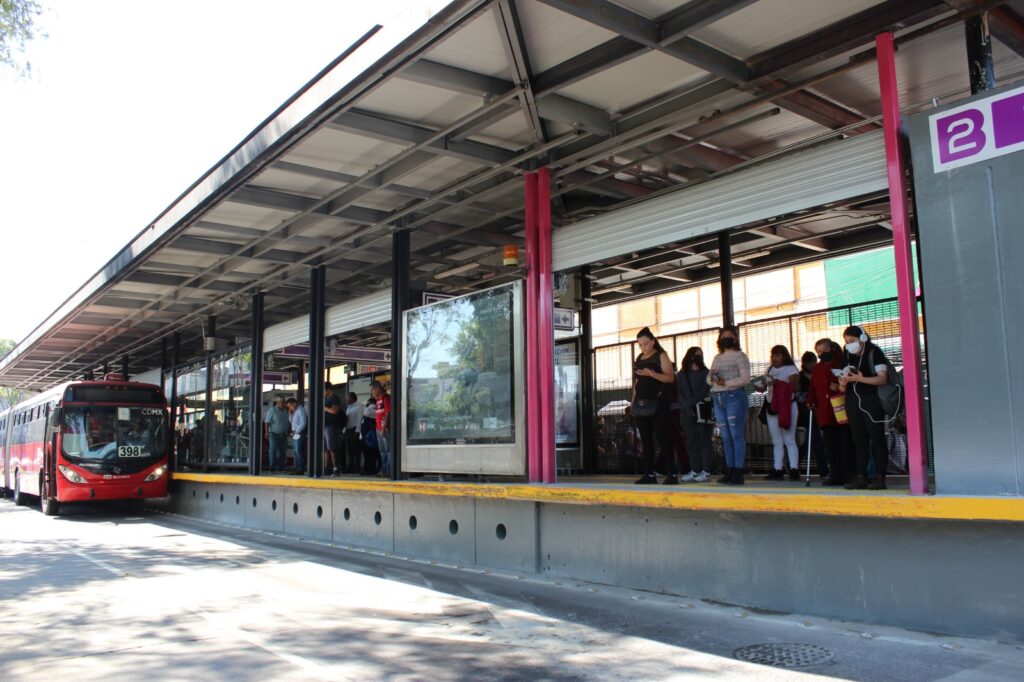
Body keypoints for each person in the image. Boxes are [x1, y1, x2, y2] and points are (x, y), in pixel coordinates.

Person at [838, 326, 891, 490]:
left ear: (863, 338)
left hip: (872, 401)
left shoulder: (874, 352)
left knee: (877, 439)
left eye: (852, 341)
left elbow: (882, 379)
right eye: (847, 342)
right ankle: (861, 476)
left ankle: (880, 476)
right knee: (859, 440)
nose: (849, 345)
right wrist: (843, 382)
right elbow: (841, 387)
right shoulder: (847, 355)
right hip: (852, 401)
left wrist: (861, 379)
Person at [631, 327, 678, 485]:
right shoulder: (639, 358)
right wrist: (633, 401)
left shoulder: (661, 355)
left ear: (652, 341)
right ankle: (649, 474)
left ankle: (671, 473)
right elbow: (636, 382)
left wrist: (652, 374)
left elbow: (670, 378)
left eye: (646, 343)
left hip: (659, 403)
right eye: (641, 345)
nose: (644, 347)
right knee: (645, 439)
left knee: (663, 437)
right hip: (641, 402)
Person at [708, 325, 750, 485]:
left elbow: (746, 378)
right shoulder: (717, 358)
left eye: (729, 335)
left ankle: (738, 471)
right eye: (723, 335)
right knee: (725, 436)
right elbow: (708, 379)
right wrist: (713, 377)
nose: (726, 338)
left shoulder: (740, 356)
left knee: (736, 434)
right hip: (718, 397)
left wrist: (727, 383)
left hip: (734, 396)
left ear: (735, 338)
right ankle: (729, 470)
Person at [808, 338, 853, 486]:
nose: (822, 354)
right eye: (819, 351)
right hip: (825, 413)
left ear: (832, 348)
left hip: (841, 411)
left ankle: (848, 475)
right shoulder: (818, 368)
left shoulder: (842, 363)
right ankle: (835, 474)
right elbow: (812, 388)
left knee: (845, 444)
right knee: (830, 446)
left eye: (824, 350)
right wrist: (810, 400)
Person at [763, 344, 801, 481]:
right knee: (777, 440)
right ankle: (777, 469)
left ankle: (794, 469)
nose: (775, 358)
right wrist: (763, 386)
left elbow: (793, 387)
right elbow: (768, 388)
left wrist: (776, 382)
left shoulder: (791, 369)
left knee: (789, 439)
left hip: (787, 406)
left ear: (784, 356)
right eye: (773, 355)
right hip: (773, 406)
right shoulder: (770, 369)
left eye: (778, 355)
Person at [677, 346, 713, 483]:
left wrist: (689, 403)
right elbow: (679, 393)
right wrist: (686, 406)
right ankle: (695, 470)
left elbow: (705, 391)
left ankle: (706, 471)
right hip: (686, 413)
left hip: (702, 410)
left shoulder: (707, 373)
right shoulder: (681, 374)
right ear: (690, 356)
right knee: (691, 442)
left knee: (704, 441)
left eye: (701, 355)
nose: (699, 357)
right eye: (697, 354)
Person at [798, 351, 828, 481]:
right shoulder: (800, 377)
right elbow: (798, 394)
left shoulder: (818, 374)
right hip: (807, 412)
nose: (811, 365)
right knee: (816, 440)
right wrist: (809, 400)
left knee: (810, 441)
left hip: (820, 410)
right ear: (804, 363)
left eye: (813, 362)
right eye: (808, 362)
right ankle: (823, 469)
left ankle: (794, 463)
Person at [263, 397, 290, 473]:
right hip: (274, 434)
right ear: (278, 402)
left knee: (283, 452)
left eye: (284, 402)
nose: (284, 403)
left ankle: (281, 468)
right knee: (273, 451)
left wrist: (289, 430)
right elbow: (267, 422)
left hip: (283, 435)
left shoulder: (285, 411)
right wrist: (266, 432)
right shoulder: (272, 410)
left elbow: (288, 422)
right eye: (282, 402)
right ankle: (272, 468)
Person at [371, 381, 392, 478]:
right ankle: (383, 470)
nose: (372, 391)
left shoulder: (386, 398)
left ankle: (389, 470)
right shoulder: (377, 400)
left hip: (385, 429)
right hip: (378, 428)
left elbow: (388, 414)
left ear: (378, 388)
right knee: (382, 451)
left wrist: (384, 429)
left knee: (388, 450)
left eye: (373, 389)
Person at [323, 383, 343, 476]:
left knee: (332, 447)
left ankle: (336, 468)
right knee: (326, 448)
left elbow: (335, 411)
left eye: (324, 390)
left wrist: (325, 408)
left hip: (331, 426)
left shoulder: (334, 398)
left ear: (329, 390)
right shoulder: (325, 399)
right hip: (325, 425)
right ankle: (327, 468)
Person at [344, 392, 364, 474]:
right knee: (349, 450)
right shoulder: (349, 407)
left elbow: (359, 420)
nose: (346, 399)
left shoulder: (358, 407)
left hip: (354, 430)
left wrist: (357, 431)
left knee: (355, 450)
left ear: (352, 398)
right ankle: (350, 466)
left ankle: (357, 467)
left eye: (347, 398)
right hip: (348, 430)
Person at [286, 398, 308, 474]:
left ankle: (301, 469)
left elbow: (303, 423)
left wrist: (297, 431)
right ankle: (297, 467)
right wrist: (290, 414)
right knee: (295, 451)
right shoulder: (295, 411)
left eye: (290, 406)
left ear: (294, 403)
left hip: (299, 433)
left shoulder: (301, 410)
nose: (290, 408)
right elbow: (292, 421)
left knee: (299, 450)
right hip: (295, 433)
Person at [361, 397, 380, 476]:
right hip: (368, 435)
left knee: (369, 453)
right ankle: (369, 468)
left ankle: (370, 469)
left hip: (369, 435)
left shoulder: (370, 410)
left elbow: (366, 412)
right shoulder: (371, 411)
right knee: (371, 454)